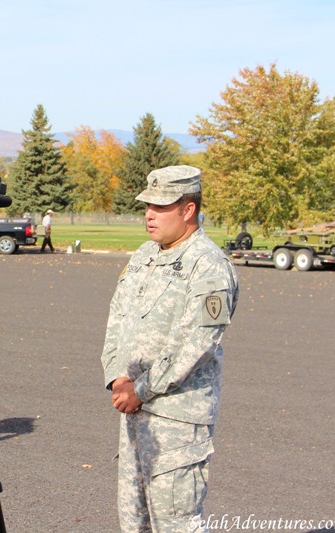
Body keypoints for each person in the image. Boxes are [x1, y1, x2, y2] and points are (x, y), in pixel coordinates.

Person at [100, 165, 239, 532]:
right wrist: (117, 376)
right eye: (147, 205)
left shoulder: (208, 266)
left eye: (160, 207)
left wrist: (141, 389)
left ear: (188, 209)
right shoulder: (145, 254)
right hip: (132, 413)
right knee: (134, 522)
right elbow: (118, 319)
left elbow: (198, 344)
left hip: (177, 420)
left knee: (177, 524)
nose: (149, 214)